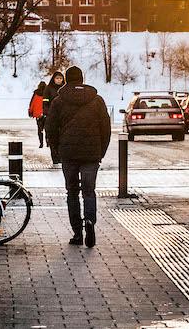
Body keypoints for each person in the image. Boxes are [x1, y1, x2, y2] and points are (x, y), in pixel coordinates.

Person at [44, 66, 111, 248]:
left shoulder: (59, 101)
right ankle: (90, 221)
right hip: (91, 155)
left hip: (69, 154)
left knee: (72, 192)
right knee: (89, 191)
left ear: (66, 79)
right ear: (82, 79)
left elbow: (50, 128)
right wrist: (100, 151)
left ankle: (77, 233)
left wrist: (57, 150)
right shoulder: (97, 101)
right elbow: (106, 129)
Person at [28, 81, 48, 148]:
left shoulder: (36, 94)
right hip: (46, 114)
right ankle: (48, 142)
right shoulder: (47, 93)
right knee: (47, 129)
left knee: (40, 130)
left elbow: (32, 103)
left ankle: (41, 143)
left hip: (38, 115)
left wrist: (30, 112)